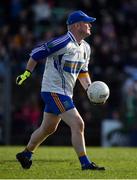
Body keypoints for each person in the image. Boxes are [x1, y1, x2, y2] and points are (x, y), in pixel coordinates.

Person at [16, 10, 105, 170]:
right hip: (52, 91)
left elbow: (83, 72)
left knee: (48, 128)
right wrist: (26, 73)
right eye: (87, 22)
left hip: (64, 93)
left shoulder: (86, 48)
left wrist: (90, 90)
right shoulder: (63, 42)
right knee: (78, 124)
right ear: (77, 25)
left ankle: (26, 154)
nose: (90, 25)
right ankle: (85, 164)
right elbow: (36, 53)